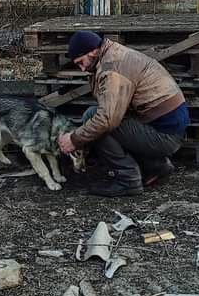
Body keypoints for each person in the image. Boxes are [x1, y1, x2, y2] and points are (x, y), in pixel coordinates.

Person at [57, 30, 190, 197]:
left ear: (93, 51)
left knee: (95, 118)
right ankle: (155, 166)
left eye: (81, 62)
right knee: (98, 117)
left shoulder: (112, 69)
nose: (82, 68)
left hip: (165, 136)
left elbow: (107, 119)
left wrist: (74, 139)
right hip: (165, 127)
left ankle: (128, 181)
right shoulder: (115, 53)